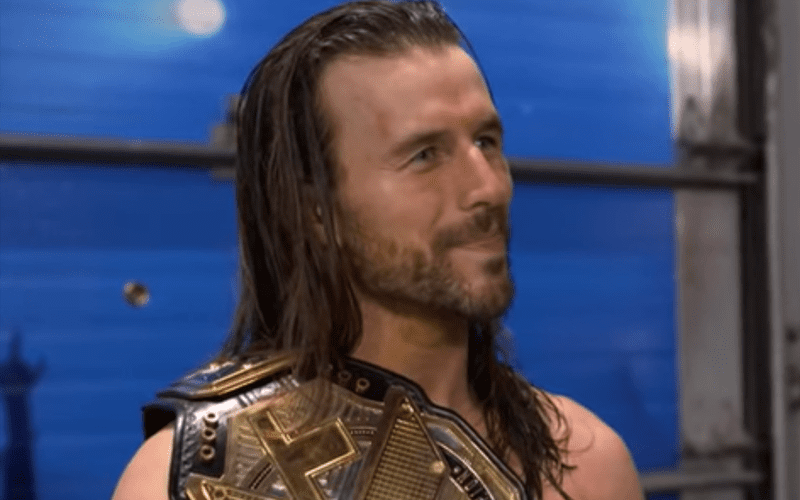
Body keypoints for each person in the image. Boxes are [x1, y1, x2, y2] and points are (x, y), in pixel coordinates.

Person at [113, 2, 643, 499]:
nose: (488, 187)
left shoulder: (587, 463)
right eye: (425, 154)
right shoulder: (194, 479)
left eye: (486, 141)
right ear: (315, 210)